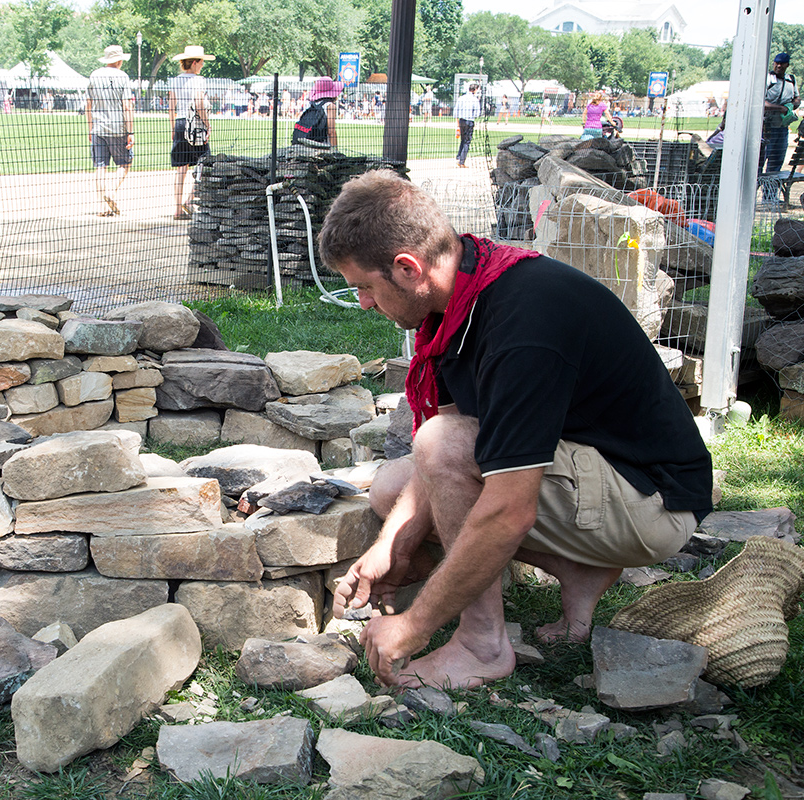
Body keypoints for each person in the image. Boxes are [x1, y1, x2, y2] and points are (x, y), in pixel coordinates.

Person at [318, 170, 713, 690]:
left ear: (407, 268)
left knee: (440, 444)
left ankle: (482, 644)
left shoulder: (521, 321)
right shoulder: (463, 296)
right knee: (394, 488)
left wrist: (414, 626)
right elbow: (453, 450)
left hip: (653, 500)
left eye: (365, 288)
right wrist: (392, 545)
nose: (365, 303)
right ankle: (578, 570)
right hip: (598, 472)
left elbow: (507, 508)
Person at [85, 45, 136, 217]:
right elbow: (127, 105)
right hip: (118, 127)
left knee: (100, 166)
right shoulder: (123, 77)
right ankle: (111, 191)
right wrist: (131, 131)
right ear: (119, 60)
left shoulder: (94, 75)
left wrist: (90, 128)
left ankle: (102, 206)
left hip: (98, 127)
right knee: (125, 163)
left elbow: (88, 104)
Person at [168, 45, 213, 220]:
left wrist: (173, 127)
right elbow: (199, 102)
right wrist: (207, 124)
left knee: (181, 168)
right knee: (204, 163)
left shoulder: (175, 80)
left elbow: (171, 106)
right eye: (201, 62)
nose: (202, 65)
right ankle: (190, 200)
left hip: (180, 122)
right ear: (194, 63)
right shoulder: (198, 80)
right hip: (195, 123)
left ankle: (178, 209)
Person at [760, 52, 800, 177]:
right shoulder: (767, 79)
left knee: (776, 162)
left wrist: (792, 105)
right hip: (767, 128)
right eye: (776, 63)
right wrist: (780, 108)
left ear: (787, 65)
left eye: (781, 64)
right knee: (760, 162)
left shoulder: (791, 80)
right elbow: (761, 102)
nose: (778, 66)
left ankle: (769, 195)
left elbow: (797, 98)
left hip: (782, 128)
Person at [292, 77, 342, 148]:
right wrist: (335, 149)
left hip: (306, 141)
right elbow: (331, 131)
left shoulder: (309, 104)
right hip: (321, 144)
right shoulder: (329, 106)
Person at [452, 83, 480, 167]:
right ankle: (461, 161)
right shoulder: (475, 99)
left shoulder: (461, 98)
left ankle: (459, 156)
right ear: (475, 90)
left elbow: (455, 111)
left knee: (463, 139)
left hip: (462, 120)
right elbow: (477, 113)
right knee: (467, 141)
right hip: (469, 121)